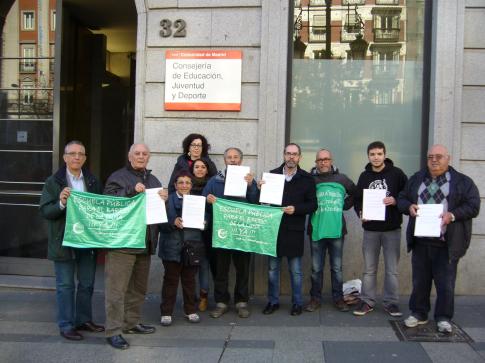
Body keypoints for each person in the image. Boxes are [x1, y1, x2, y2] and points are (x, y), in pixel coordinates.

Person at [398, 144, 480, 333]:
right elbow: (401, 198)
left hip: (447, 243)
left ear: (448, 158)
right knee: (420, 281)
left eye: (439, 156)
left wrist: (452, 215)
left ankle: (443, 317)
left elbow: (473, 205)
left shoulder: (462, 182)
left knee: (446, 283)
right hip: (421, 241)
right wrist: (408, 207)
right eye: (430, 157)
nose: (434, 160)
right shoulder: (417, 179)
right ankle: (419, 313)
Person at [103, 143, 168, 350]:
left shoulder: (153, 179)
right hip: (123, 242)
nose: (141, 157)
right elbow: (109, 202)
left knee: (138, 289)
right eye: (137, 153)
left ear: (149, 157)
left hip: (145, 241)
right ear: (130, 156)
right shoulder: (118, 177)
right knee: (117, 290)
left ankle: (131, 323)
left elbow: (158, 210)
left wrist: (164, 199)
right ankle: (113, 331)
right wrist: (131, 190)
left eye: (145, 154)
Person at [39, 140, 105, 341]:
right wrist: (61, 202)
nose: (77, 157)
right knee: (66, 285)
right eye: (73, 153)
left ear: (85, 158)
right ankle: (66, 325)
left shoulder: (93, 182)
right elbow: (45, 212)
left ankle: (83, 320)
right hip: (63, 241)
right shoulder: (53, 182)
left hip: (86, 241)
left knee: (86, 283)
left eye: (81, 154)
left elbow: (100, 209)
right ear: (65, 157)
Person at [202, 147, 259, 318]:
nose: (233, 160)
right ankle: (221, 302)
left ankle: (242, 302)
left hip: (242, 232)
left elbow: (256, 204)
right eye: (229, 157)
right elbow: (204, 204)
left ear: (241, 160)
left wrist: (251, 187)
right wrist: (208, 200)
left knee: (243, 269)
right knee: (221, 269)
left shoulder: (250, 180)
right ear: (225, 160)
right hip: (221, 233)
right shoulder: (214, 181)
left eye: (236, 157)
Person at [262, 143, 317, 316]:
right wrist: (260, 191)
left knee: (296, 271)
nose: (291, 157)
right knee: (272, 270)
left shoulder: (307, 179)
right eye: (288, 153)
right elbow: (263, 203)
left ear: (299, 157)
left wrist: (297, 209)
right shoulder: (272, 176)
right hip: (274, 230)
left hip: (294, 230)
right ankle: (273, 301)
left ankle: (297, 303)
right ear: (284, 155)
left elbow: (312, 205)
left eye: (294, 154)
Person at [353, 141, 407, 317]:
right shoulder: (364, 176)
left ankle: (391, 303)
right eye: (372, 154)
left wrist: (396, 201)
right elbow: (357, 199)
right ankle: (367, 301)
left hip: (392, 229)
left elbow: (407, 195)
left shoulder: (397, 174)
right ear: (368, 156)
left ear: (385, 155)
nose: (376, 157)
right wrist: (361, 213)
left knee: (392, 269)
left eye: (379, 154)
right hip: (371, 229)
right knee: (369, 269)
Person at [304, 149, 357, 313]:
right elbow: (302, 198)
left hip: (337, 231)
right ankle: (315, 299)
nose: (323, 162)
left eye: (326, 159)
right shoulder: (309, 180)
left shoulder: (342, 179)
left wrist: (344, 204)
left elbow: (356, 193)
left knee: (337, 268)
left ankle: (339, 299)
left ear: (331, 161)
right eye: (319, 160)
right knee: (316, 269)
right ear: (316, 162)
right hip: (316, 231)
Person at [159, 171, 205, 326]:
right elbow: (159, 223)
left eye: (187, 183)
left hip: (192, 247)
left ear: (191, 185)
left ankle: (190, 310)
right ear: (175, 185)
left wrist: (205, 223)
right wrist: (173, 222)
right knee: (170, 281)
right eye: (181, 182)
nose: (184, 185)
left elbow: (208, 218)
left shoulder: (198, 201)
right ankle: (166, 312)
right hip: (171, 247)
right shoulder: (166, 200)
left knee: (190, 281)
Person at [190, 159, 216, 311]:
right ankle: (190, 296)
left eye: (203, 167)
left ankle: (203, 298)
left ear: (207, 170)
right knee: (189, 268)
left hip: (207, 232)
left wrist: (207, 220)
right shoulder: (185, 184)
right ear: (192, 169)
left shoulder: (211, 185)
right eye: (197, 167)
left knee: (204, 266)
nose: (200, 169)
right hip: (189, 233)